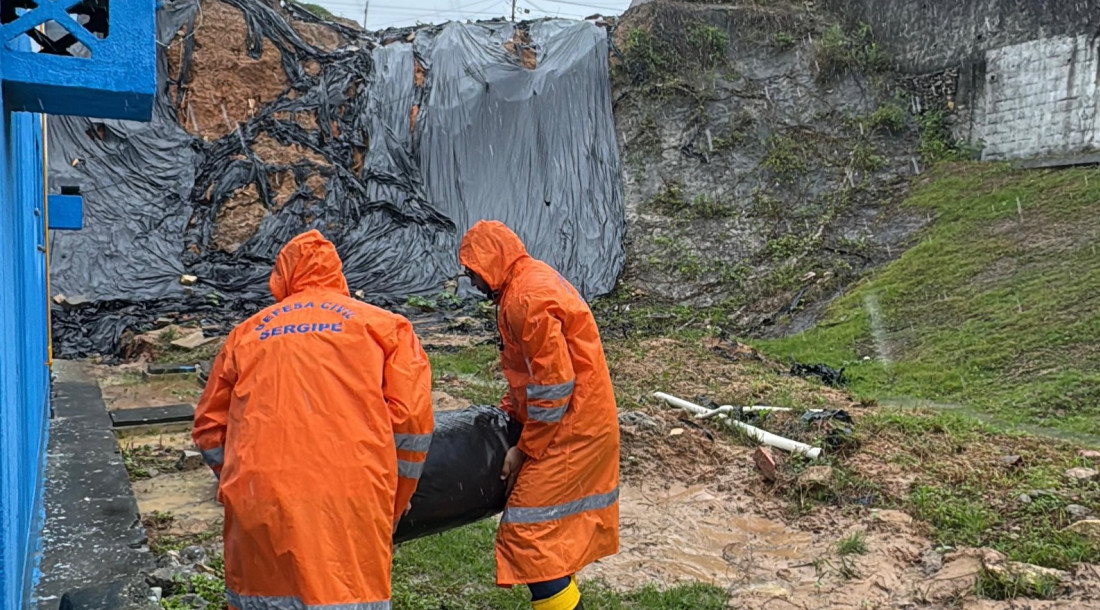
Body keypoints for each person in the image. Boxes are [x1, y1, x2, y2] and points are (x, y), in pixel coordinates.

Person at [193, 229, 433, 610]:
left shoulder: (246, 334)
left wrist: (243, 484)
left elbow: (208, 430)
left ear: (283, 276)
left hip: (259, 505)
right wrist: (392, 500)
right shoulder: (386, 329)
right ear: (338, 273)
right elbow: (411, 425)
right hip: (352, 499)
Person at [459, 220, 620, 610]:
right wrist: (512, 410)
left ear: (490, 261)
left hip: (572, 429)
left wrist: (524, 449)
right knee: (551, 535)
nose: (472, 281)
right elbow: (530, 372)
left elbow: (554, 386)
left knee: (527, 536)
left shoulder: (524, 299)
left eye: (473, 271)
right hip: (582, 421)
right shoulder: (528, 284)